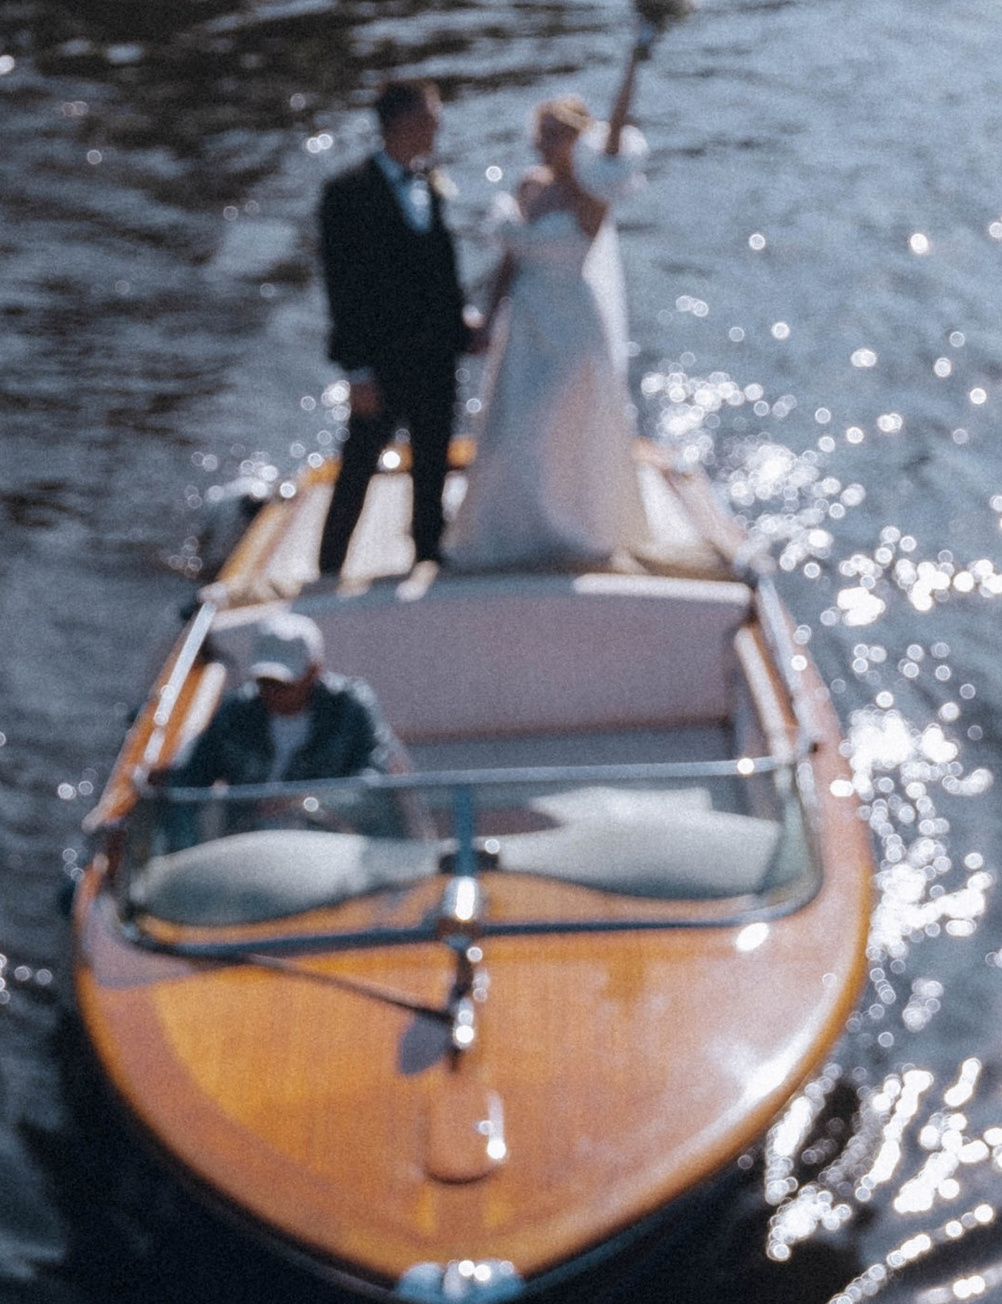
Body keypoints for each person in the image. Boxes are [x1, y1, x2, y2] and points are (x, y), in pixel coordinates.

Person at [446, 61, 648, 572]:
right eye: (540, 135)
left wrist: (636, 56)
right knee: (513, 426)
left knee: (559, 425)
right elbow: (509, 261)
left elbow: (617, 136)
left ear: (576, 140)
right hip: (525, 325)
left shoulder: (591, 195)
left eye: (554, 135)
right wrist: (489, 321)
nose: (542, 144)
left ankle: (572, 530)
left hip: (573, 328)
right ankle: (514, 532)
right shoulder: (528, 185)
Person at [317, 76, 470, 577]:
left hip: (435, 357)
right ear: (404, 122)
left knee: (432, 467)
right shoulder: (347, 193)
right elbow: (342, 288)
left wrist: (462, 325)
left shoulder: (430, 182)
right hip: (380, 364)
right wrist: (356, 369)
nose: (439, 124)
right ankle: (328, 569)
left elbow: (440, 271)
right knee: (358, 467)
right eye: (431, 114)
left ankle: (428, 558)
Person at [172, 613, 396, 790]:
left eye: (282, 684)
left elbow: (374, 777)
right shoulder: (234, 714)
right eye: (264, 682)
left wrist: (312, 802)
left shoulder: (350, 706)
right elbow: (193, 777)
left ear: (313, 671)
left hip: (332, 841)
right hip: (249, 842)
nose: (271, 692)